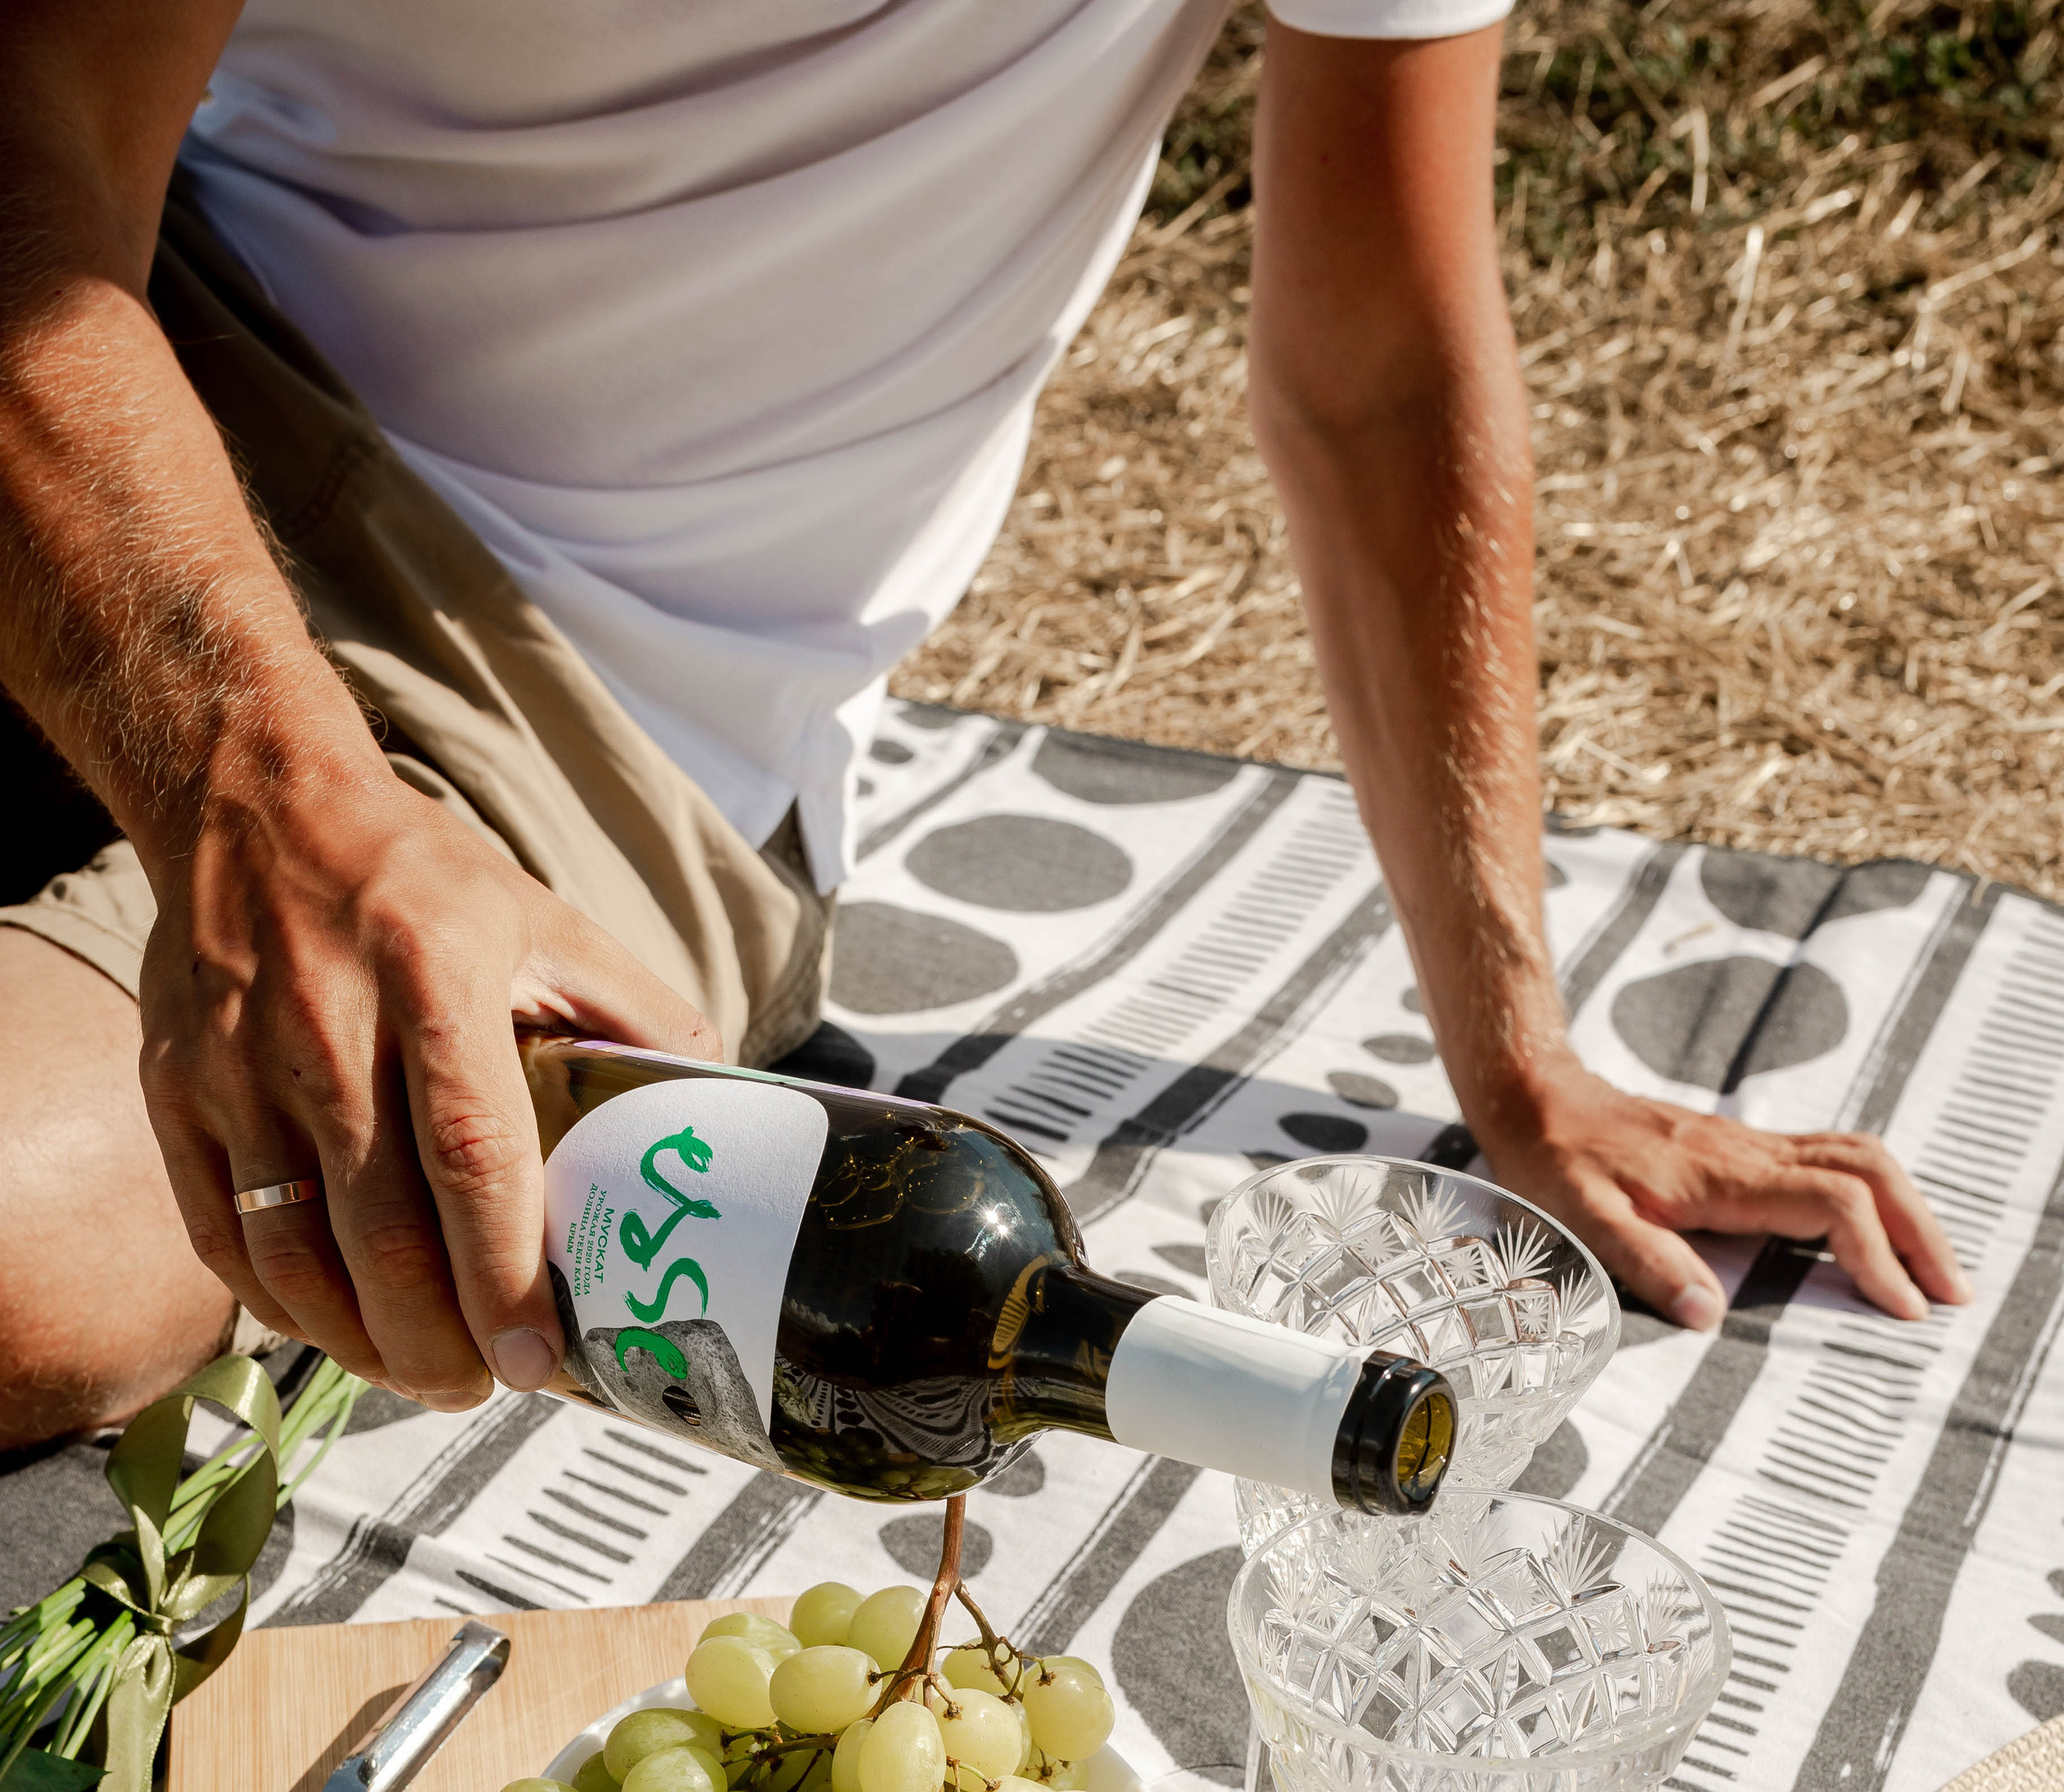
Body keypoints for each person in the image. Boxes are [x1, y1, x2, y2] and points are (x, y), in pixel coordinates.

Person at [0, 2, 1965, 1449]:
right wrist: (253, 779)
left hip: (591, 685)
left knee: (31, 1259)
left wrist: (1520, 1064)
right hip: (128, 368)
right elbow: (38, 146)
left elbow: (1374, 371)